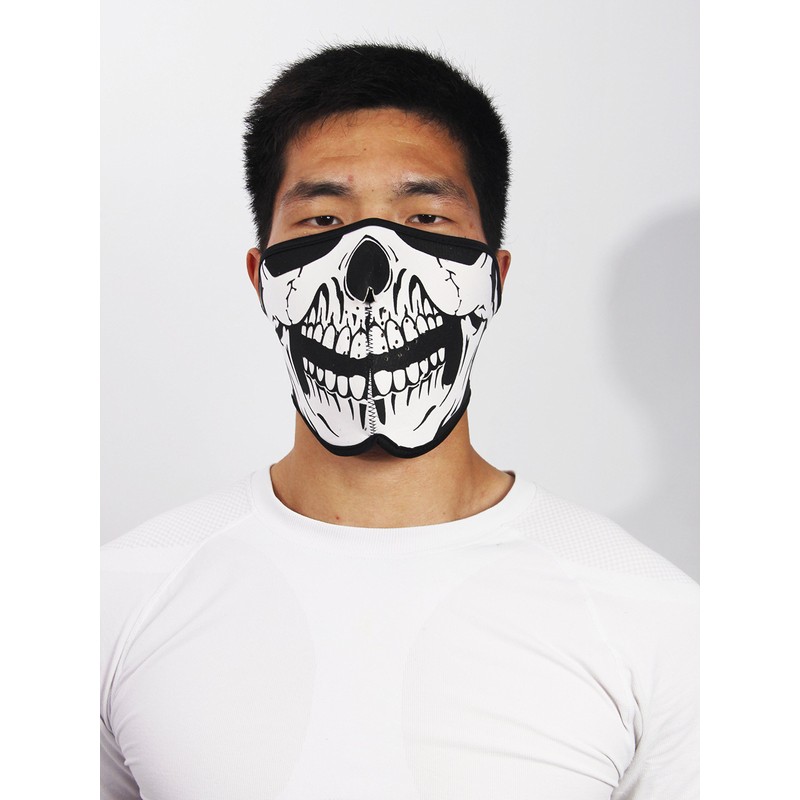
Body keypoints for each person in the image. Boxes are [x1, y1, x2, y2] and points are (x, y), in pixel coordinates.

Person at [101, 44, 699, 799]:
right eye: (322, 218)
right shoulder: (116, 601)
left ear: (493, 279)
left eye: (426, 216)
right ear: (262, 280)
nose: (369, 269)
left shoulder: (655, 620)